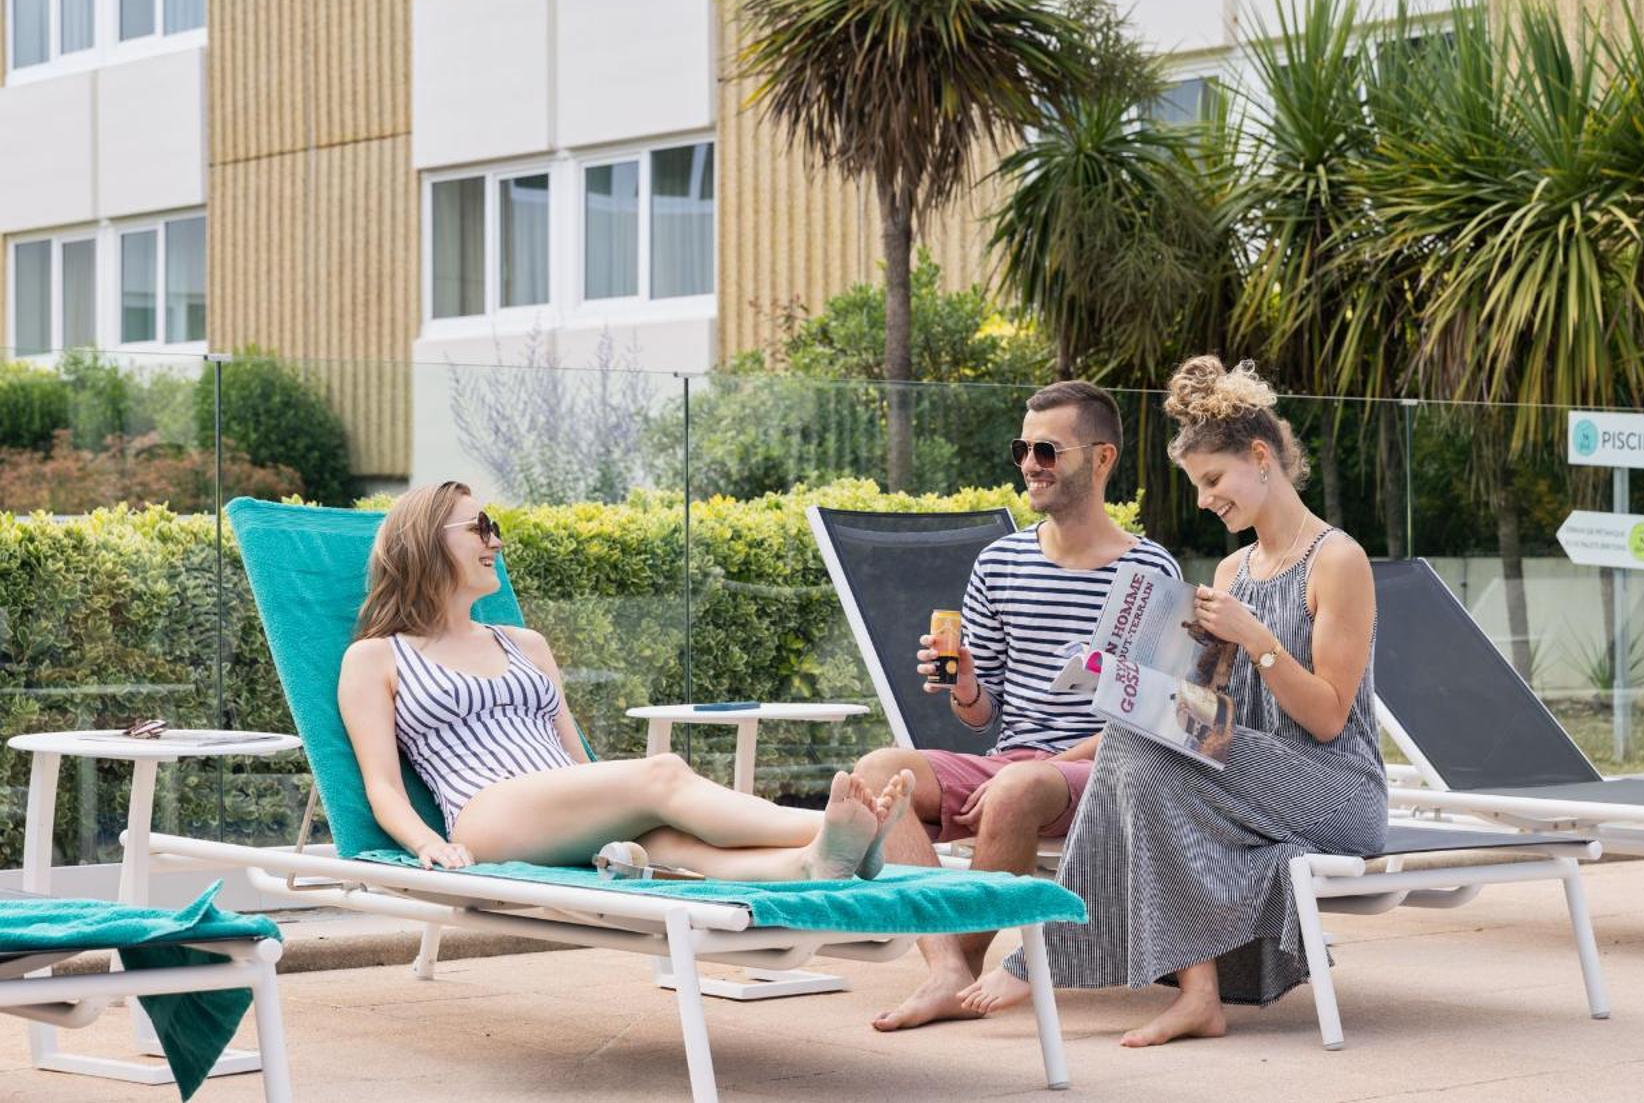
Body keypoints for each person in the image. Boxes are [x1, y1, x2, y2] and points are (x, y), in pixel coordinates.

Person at [959, 356, 1387, 1048]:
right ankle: (1198, 996)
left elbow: (1330, 716)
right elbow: (1207, 711)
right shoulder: (1230, 570)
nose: (1205, 499)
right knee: (1137, 739)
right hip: (1259, 779)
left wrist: (1255, 638)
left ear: (1261, 457)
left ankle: (1045, 951)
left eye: (1212, 480)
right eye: (1197, 485)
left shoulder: (1338, 559)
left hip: (1338, 790)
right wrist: (1113, 703)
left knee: (1139, 747)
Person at [337, 480, 914, 880]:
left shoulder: (525, 644)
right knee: (661, 774)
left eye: (494, 527)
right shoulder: (377, 658)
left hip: (562, 802)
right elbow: (383, 786)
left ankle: (814, 861)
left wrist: (621, 809)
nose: (496, 540)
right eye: (480, 526)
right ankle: (831, 826)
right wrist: (428, 845)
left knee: (670, 839)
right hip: (486, 815)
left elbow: (572, 757)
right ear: (426, 541)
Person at [852, 381, 1182, 1031]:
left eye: (1048, 449)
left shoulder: (1151, 572)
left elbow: (1157, 718)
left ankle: (958, 971)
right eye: (1022, 447)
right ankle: (948, 966)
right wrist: (969, 684)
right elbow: (983, 717)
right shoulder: (999, 562)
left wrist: (1042, 765)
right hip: (1015, 760)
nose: (1030, 462)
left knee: (1018, 784)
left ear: (1102, 458)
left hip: (1106, 768)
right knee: (877, 769)